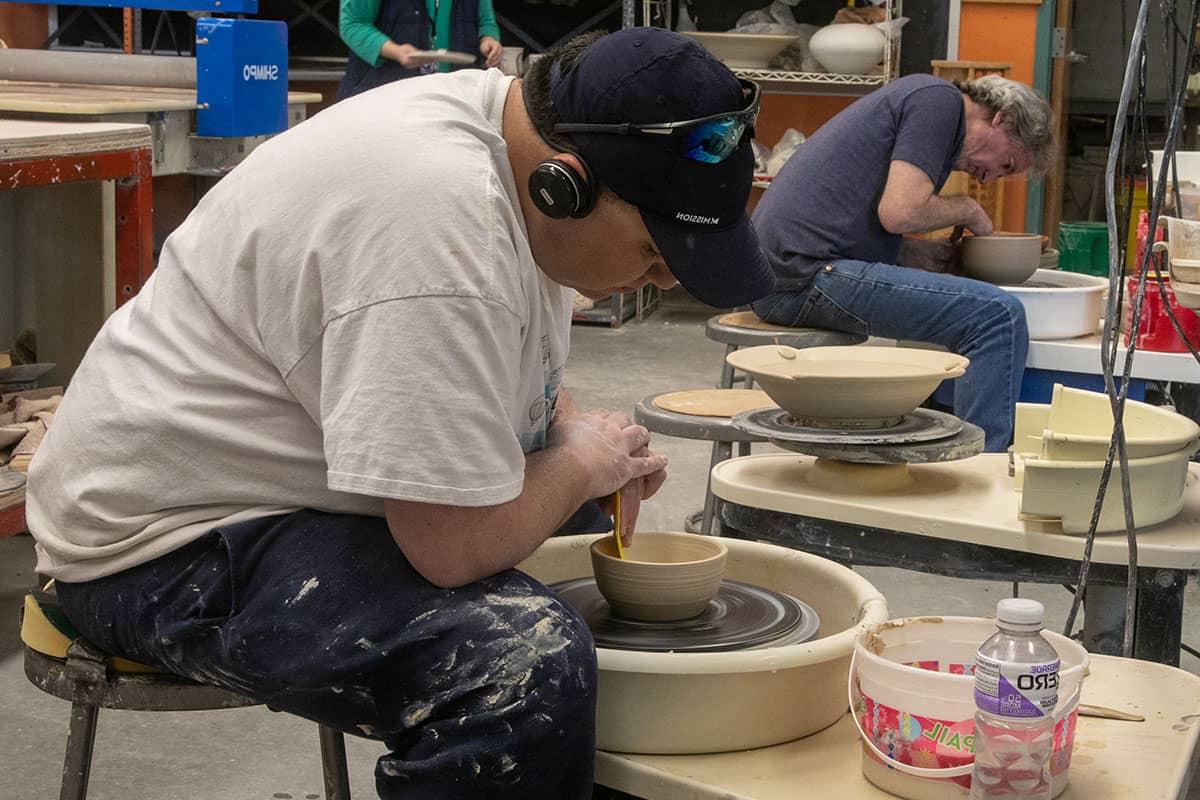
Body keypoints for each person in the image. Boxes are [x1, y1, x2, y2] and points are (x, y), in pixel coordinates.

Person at [25, 28, 773, 800]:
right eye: (654, 254)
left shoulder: (508, 140)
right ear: (565, 183)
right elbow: (448, 547)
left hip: (273, 476)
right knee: (518, 663)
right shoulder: (441, 227)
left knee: (581, 518)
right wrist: (579, 459)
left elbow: (502, 381)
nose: (659, 278)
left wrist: (575, 441)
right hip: (156, 541)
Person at [751, 74, 1054, 451]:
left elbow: (859, 218)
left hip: (786, 268)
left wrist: (916, 254)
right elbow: (900, 212)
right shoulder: (939, 104)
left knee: (973, 306)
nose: (990, 178)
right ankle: (981, 473)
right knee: (998, 316)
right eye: (1006, 164)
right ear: (1002, 118)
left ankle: (927, 445)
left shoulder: (931, 105)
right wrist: (969, 210)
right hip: (799, 276)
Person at [338, 0, 503, 99]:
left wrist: (488, 40)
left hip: (453, 95)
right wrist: (395, 51)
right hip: (384, 93)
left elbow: (485, 22)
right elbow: (352, 24)